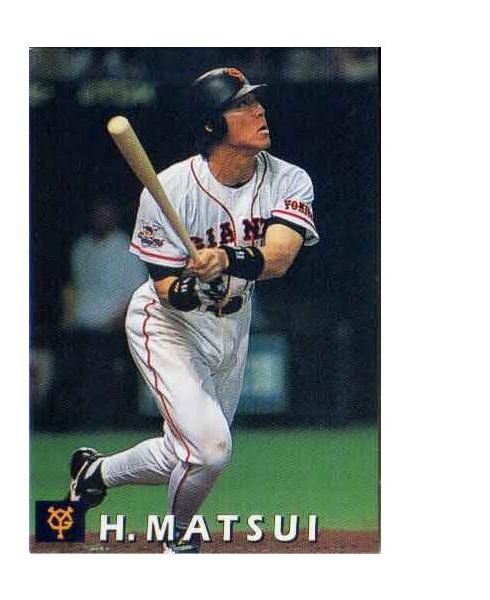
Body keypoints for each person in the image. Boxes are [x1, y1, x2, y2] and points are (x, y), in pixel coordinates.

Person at [65, 67, 320, 552]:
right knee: (210, 449)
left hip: (233, 323)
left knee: (187, 451)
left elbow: (280, 257)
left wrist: (223, 259)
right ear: (211, 125)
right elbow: (166, 289)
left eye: (256, 101)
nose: (259, 111)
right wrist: (191, 282)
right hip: (168, 325)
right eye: (242, 105)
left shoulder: (289, 178)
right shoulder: (169, 188)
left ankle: (95, 474)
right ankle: (178, 542)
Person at [52, 200, 147, 428]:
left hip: (114, 330)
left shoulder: (126, 248)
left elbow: (137, 291)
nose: (100, 218)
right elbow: (73, 287)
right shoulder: (82, 247)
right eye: (97, 213)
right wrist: (69, 319)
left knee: (107, 382)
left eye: (105, 213)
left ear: (114, 215)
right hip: (80, 329)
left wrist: (116, 322)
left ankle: (113, 424)